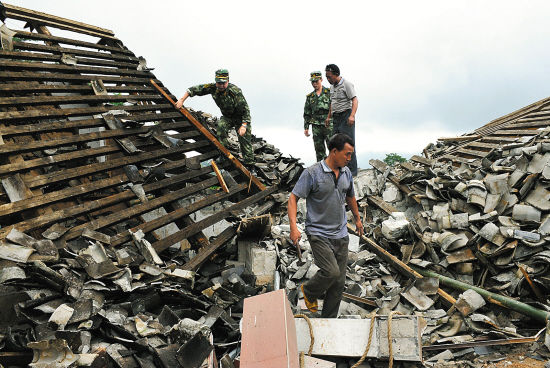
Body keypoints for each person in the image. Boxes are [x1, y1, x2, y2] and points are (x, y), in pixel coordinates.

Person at [288, 133, 364, 318]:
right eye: (347, 154)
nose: (349, 158)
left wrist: (358, 218)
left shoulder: (346, 173)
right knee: (330, 272)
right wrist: (293, 227)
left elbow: (350, 196)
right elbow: (293, 198)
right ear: (334, 151)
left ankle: (329, 321)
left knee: (338, 282)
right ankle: (309, 291)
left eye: (351, 154)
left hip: (341, 233)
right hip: (318, 233)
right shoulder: (312, 173)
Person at [175, 69, 254, 164]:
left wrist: (244, 125)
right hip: (228, 117)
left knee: (244, 140)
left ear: (227, 81)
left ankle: (250, 164)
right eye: (219, 83)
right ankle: (224, 155)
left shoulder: (235, 91)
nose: (221, 85)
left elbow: (245, 109)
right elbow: (193, 90)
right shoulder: (212, 88)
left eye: (223, 83)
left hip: (241, 118)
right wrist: (181, 100)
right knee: (221, 128)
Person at [324, 64, 359, 176]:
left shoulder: (346, 84)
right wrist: (329, 116)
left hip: (346, 116)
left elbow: (355, 100)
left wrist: (352, 115)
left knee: (348, 144)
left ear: (336, 75)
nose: (328, 79)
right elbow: (332, 103)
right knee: (334, 143)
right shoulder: (332, 87)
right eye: (326, 77)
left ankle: (352, 171)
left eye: (329, 77)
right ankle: (337, 168)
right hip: (336, 117)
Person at [303, 71, 333, 162]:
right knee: (319, 150)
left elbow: (334, 107)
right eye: (313, 82)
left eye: (316, 81)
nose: (314, 84)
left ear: (321, 80)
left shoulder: (329, 92)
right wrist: (306, 127)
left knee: (332, 147)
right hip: (316, 125)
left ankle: (335, 169)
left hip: (328, 123)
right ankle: (322, 171)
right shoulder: (310, 97)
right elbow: (307, 113)